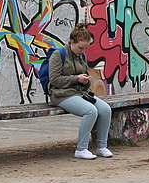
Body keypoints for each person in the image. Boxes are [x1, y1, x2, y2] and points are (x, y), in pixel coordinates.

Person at [47, 23, 113, 159]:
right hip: (61, 95)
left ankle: (102, 146)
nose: (82, 51)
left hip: (80, 93)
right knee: (90, 111)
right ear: (72, 42)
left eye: (85, 49)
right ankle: (81, 149)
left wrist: (85, 80)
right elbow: (54, 80)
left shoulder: (81, 57)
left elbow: (86, 79)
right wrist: (76, 79)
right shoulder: (58, 55)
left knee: (105, 109)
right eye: (80, 48)